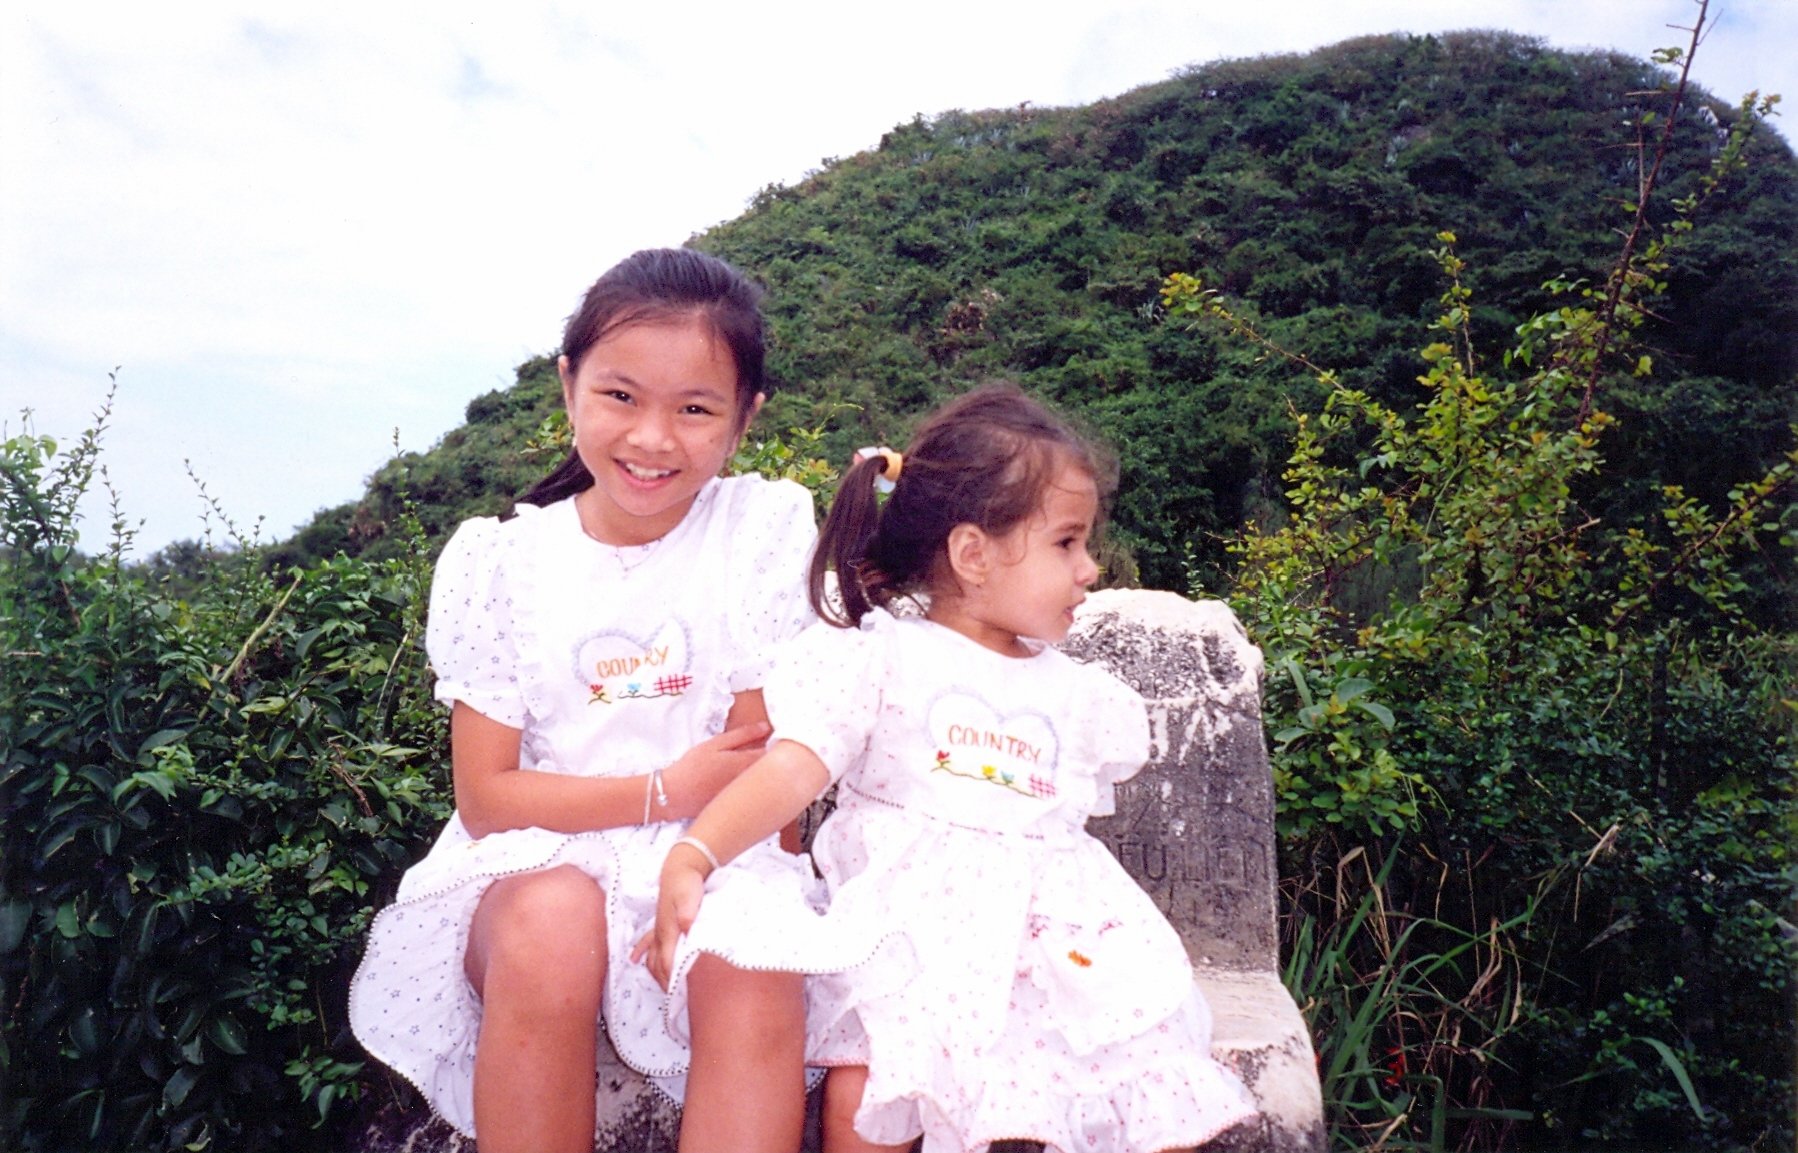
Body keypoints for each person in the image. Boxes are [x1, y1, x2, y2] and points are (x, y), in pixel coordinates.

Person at [641, 385, 1257, 1153]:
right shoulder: (883, 659)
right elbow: (792, 770)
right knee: (866, 1091)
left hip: (1052, 957)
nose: (1089, 568)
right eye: (1066, 543)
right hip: (908, 951)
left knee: (1137, 1075)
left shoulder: (1077, 695)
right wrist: (696, 852)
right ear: (972, 554)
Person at [349, 247, 831, 1153]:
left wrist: (692, 839)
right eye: (621, 396)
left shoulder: (758, 531)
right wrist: (662, 788)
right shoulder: (501, 564)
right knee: (552, 923)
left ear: (745, 417)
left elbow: (759, 775)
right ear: (569, 385)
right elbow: (490, 798)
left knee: (751, 957)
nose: (653, 438)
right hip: (532, 861)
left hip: (714, 847)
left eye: (694, 409)